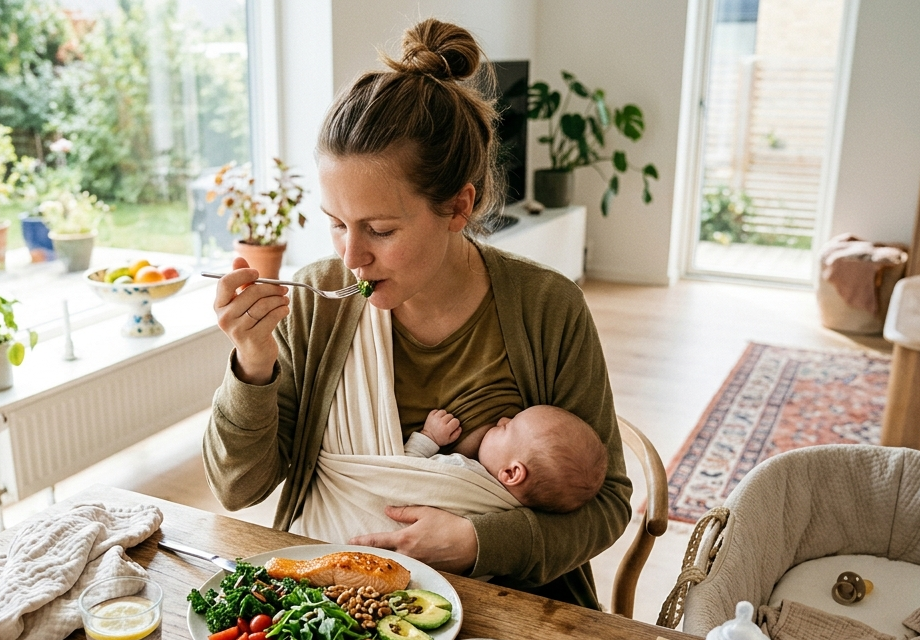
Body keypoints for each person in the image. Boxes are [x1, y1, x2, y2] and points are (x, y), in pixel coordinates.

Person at [203, 18, 632, 608]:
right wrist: (253, 364)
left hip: (502, 612)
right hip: (326, 606)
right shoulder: (315, 304)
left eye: (379, 229)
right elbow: (236, 487)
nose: (352, 257)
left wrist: (478, 541)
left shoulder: (546, 307)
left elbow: (606, 505)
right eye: (335, 224)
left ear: (458, 207)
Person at [405, 405, 609, 515]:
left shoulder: (460, 471)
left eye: (506, 428)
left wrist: (429, 436)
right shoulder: (508, 515)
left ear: (511, 473)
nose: (502, 419)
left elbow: (404, 472)